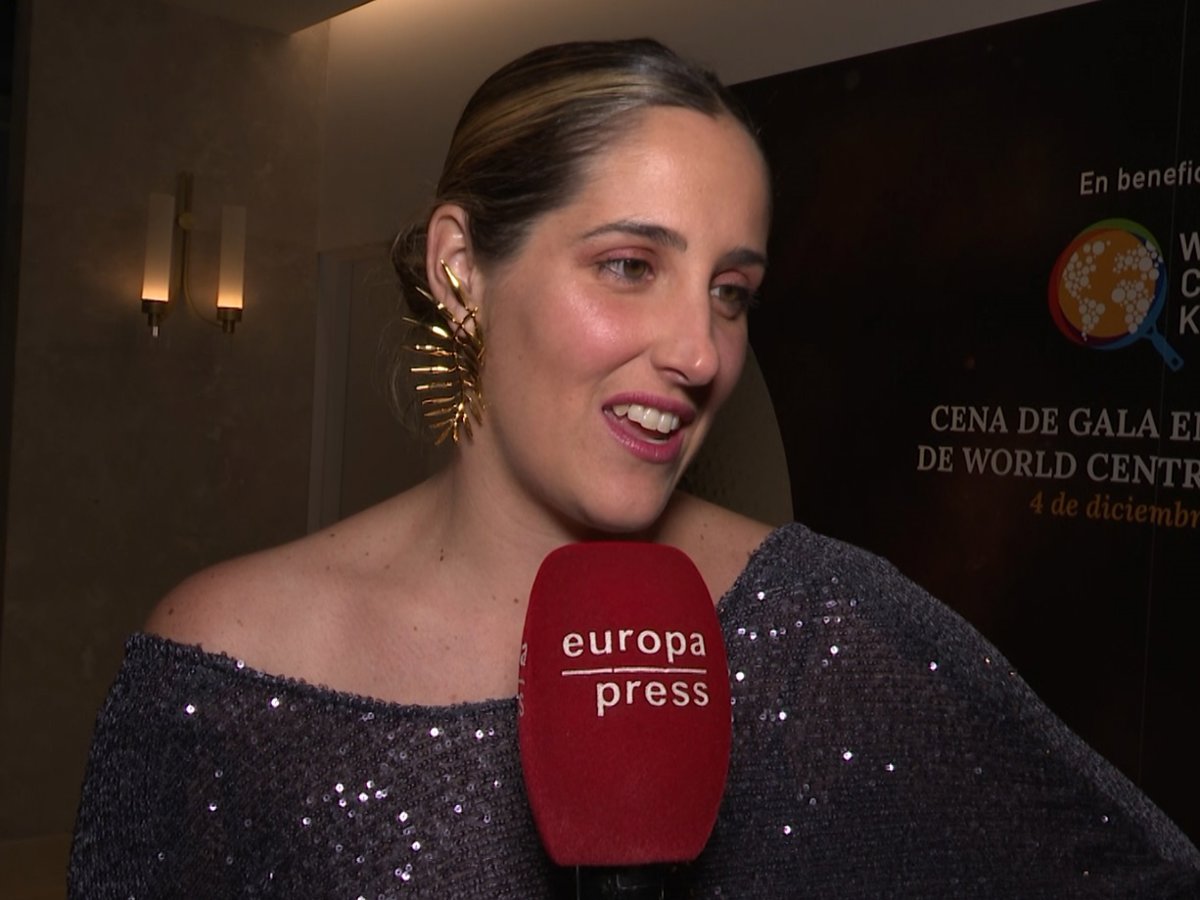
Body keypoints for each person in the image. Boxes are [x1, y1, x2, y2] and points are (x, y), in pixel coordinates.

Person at [69, 38, 1199, 898]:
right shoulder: (225, 669)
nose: (702, 353)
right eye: (628, 265)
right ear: (461, 271)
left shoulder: (829, 628)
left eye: (731, 292)